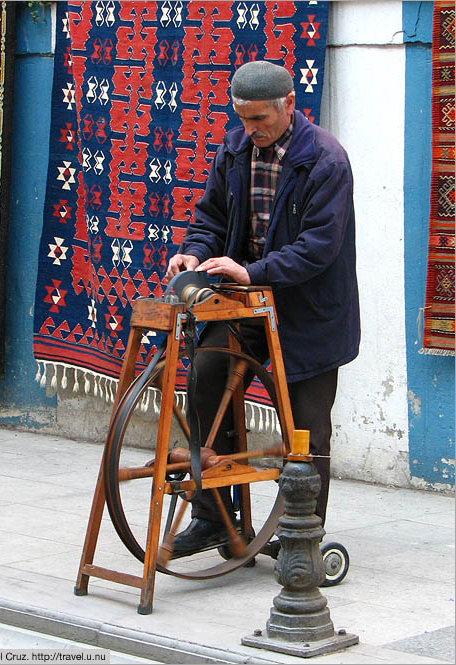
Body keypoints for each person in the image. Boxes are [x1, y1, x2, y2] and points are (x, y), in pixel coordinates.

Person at [165, 60, 360, 557]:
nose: (251, 131)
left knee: (306, 424)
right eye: (244, 118)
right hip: (244, 300)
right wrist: (194, 248)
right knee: (208, 375)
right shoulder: (235, 151)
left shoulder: (326, 161)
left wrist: (252, 271)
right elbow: (210, 216)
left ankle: (301, 535)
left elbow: (319, 247)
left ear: (289, 105)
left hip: (308, 308)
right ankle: (214, 517)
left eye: (261, 121)